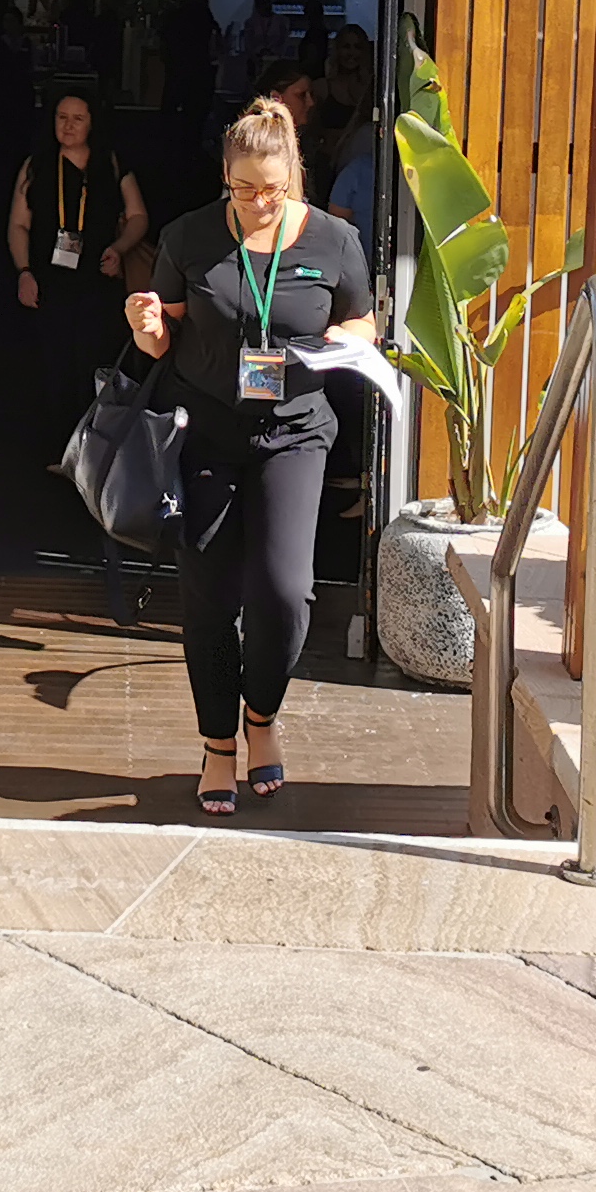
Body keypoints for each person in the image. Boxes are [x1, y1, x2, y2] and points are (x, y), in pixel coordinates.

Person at [126, 99, 377, 815]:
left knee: (285, 592)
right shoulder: (190, 236)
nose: (259, 202)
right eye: (243, 188)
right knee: (209, 595)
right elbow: (163, 335)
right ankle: (217, 743)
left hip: (295, 432)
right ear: (225, 176)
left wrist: (353, 341)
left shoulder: (334, 240)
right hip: (207, 432)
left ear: (292, 174)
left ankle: (261, 715)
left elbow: (360, 319)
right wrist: (145, 325)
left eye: (272, 188)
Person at [11, 87, 151, 446]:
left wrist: (120, 248)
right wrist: (24, 271)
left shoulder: (110, 164)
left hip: (98, 280)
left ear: (92, 124)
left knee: (94, 362)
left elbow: (138, 216)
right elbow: (19, 224)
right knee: (54, 363)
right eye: (62, 117)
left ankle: (93, 446)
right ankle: (58, 445)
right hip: (49, 281)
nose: (68, 126)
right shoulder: (37, 165)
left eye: (77, 119)